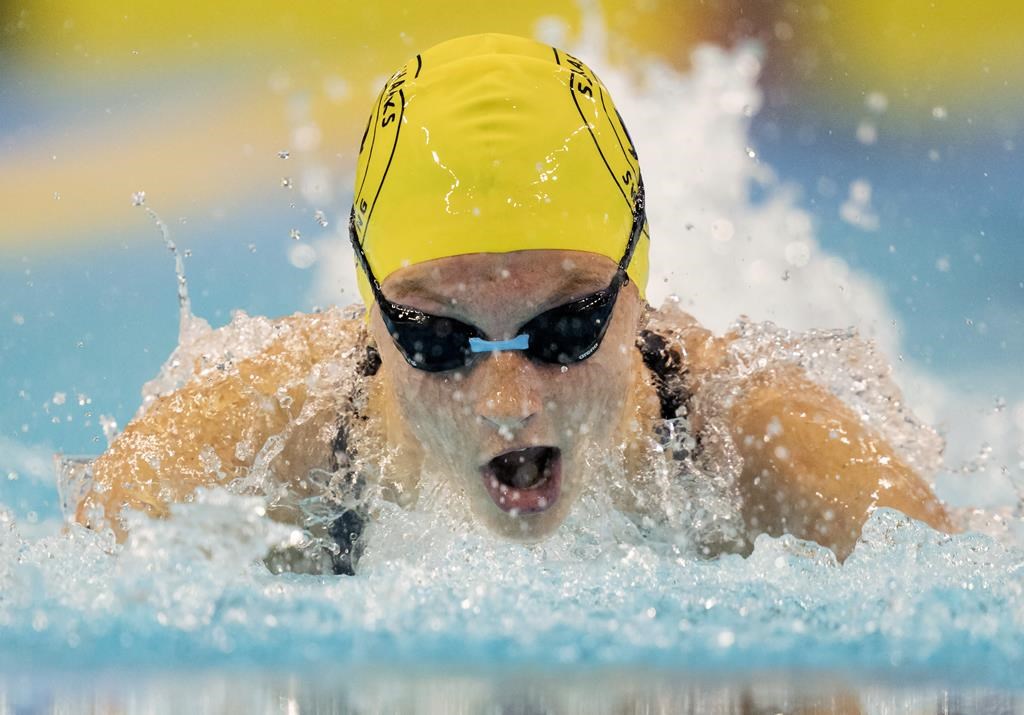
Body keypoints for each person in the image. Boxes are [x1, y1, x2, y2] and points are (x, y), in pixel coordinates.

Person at [74, 33, 952, 573]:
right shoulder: (241, 457)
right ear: (372, 316)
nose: (509, 401)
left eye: (566, 330)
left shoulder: (776, 464)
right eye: (437, 340)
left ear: (638, 292)